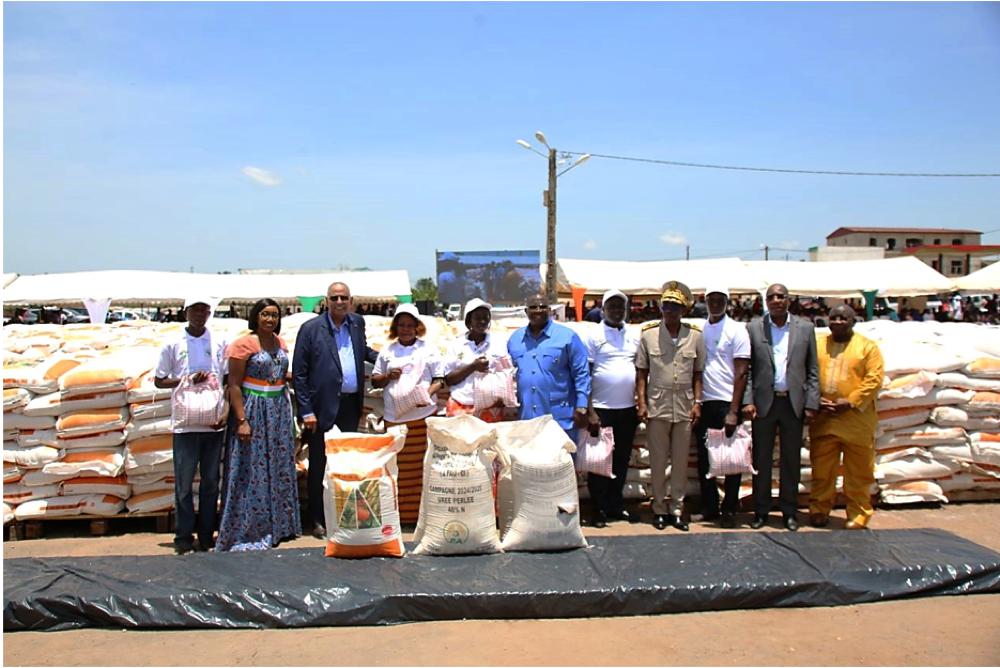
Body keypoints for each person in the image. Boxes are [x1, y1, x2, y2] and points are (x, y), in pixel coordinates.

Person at [292, 282, 378, 538]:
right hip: (322, 409)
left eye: (344, 298)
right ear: (326, 301)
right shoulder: (311, 329)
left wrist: (391, 358)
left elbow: (363, 351)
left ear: (351, 301)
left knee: (347, 462)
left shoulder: (356, 323)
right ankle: (318, 519)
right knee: (319, 463)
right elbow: (299, 373)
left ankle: (344, 514)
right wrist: (306, 410)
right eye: (334, 298)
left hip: (350, 405)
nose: (339, 302)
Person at [216, 299, 301, 551]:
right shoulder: (242, 345)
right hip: (254, 408)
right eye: (265, 314)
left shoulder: (281, 343)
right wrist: (242, 420)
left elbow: (278, 373)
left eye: (274, 315)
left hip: (278, 409)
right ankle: (250, 527)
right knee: (251, 466)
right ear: (256, 316)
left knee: (278, 462)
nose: (270, 319)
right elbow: (234, 384)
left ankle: (280, 525)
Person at [153, 297, 228, 554]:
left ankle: (206, 533)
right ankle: (183, 535)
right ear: (185, 313)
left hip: (212, 423)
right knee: (184, 484)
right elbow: (159, 380)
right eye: (194, 310)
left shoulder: (218, 342)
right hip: (185, 425)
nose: (199, 314)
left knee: (210, 482)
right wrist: (186, 381)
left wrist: (225, 409)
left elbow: (227, 377)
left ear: (209, 313)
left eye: (203, 310)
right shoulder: (172, 344)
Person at [743, 283, 819, 532]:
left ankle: (789, 511)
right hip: (765, 403)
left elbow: (812, 370)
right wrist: (748, 400)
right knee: (761, 460)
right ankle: (762, 511)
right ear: (766, 301)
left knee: (790, 461)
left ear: (789, 300)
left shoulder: (805, 328)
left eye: (780, 296)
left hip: (792, 403)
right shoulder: (754, 328)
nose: (776, 300)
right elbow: (748, 369)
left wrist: (811, 403)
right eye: (771, 297)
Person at [635, 281, 704, 532]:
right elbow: (641, 372)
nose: (670, 311)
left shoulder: (694, 336)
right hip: (657, 403)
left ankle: (677, 509)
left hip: (685, 404)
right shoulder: (649, 334)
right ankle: (659, 509)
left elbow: (698, 373)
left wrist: (698, 403)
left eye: (675, 307)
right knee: (657, 459)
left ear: (684, 310)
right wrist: (641, 402)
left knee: (680, 459)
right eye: (666, 306)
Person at [808, 304, 884, 530]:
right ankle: (819, 509)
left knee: (858, 472)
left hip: (856, 421)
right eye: (834, 317)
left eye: (844, 318)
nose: (838, 321)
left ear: (854, 321)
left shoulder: (867, 348)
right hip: (824, 419)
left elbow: (875, 378)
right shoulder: (819, 345)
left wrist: (851, 400)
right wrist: (815, 400)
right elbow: (806, 374)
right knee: (822, 471)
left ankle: (858, 514)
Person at [371, 303, 444, 524]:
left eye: (410, 325)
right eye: (401, 325)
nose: (405, 329)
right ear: (395, 327)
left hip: (421, 418)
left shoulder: (427, 349)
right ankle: (399, 516)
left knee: (422, 467)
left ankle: (421, 516)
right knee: (398, 468)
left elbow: (440, 379)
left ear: (417, 327)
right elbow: (375, 379)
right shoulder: (388, 351)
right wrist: (388, 376)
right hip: (395, 419)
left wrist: (425, 395)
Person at [583, 289, 641, 528]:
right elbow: (584, 375)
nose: (617, 311)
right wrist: (590, 411)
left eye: (620, 307)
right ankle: (598, 508)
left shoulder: (634, 334)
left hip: (627, 408)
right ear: (603, 309)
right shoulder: (593, 335)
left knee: (621, 459)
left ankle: (615, 505)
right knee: (599, 461)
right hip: (601, 408)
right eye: (612, 306)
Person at [695, 285, 751, 528]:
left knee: (731, 459)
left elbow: (741, 371)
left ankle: (729, 508)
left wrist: (734, 410)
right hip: (705, 402)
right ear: (705, 301)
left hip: (728, 402)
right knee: (706, 458)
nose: (715, 304)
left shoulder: (737, 330)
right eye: (711, 300)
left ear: (727, 302)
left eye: (720, 300)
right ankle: (710, 506)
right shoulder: (701, 329)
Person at [507, 293, 591, 441]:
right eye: (533, 307)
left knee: (563, 463)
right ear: (526, 312)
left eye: (542, 306)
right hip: (527, 420)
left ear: (550, 310)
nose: (538, 310)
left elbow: (581, 374)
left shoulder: (568, 337)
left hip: (559, 419)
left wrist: (582, 406)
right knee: (530, 463)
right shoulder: (515, 340)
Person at [443, 298, 510, 422]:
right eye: (478, 318)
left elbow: (506, 374)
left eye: (486, 317)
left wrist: (502, 398)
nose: (482, 321)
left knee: (488, 441)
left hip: (490, 407)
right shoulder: (456, 345)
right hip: (461, 405)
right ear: (469, 321)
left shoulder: (499, 343)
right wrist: (472, 367)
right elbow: (449, 379)